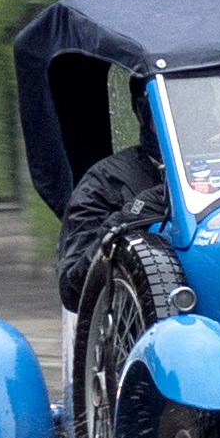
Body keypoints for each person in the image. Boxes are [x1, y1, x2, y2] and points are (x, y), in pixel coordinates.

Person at [56, 75, 167, 310]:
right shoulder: (104, 181)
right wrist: (131, 218)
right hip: (137, 325)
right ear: (146, 113)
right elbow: (72, 290)